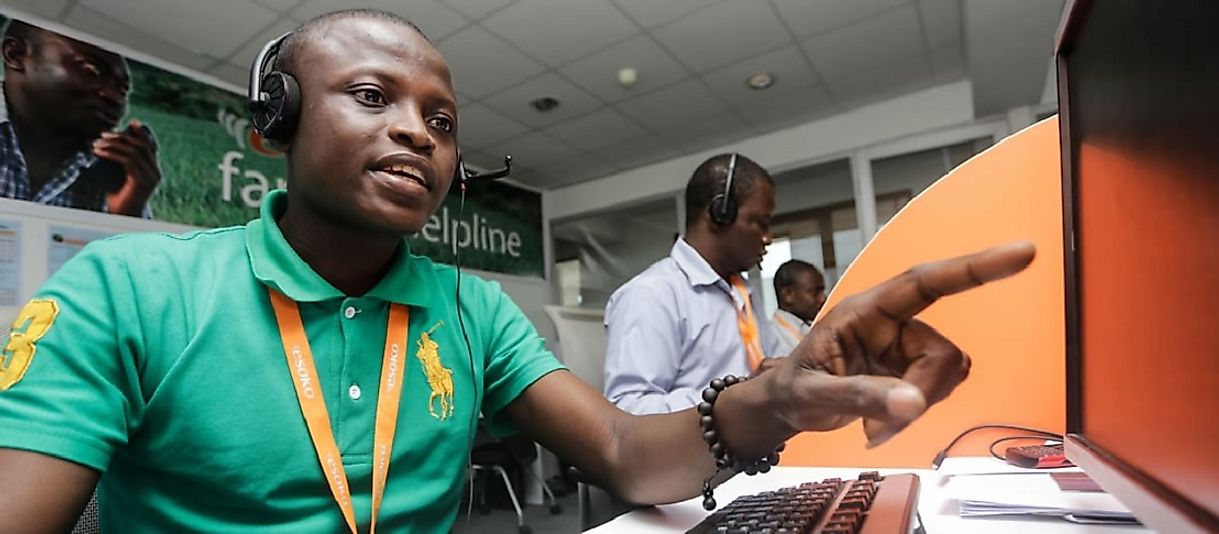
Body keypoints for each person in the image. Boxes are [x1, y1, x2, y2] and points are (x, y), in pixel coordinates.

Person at [0, 9, 1036, 532]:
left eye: (441, 121)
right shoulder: (120, 294)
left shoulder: (468, 308)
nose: (416, 132)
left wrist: (776, 399)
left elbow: (629, 451)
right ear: (273, 128)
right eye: (371, 96)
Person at [603, 153, 784, 415]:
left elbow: (773, 367)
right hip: (697, 455)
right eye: (761, 223)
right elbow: (628, 411)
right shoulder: (651, 295)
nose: (768, 238)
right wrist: (737, 396)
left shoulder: (742, 294)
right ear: (719, 213)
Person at [0, 19, 160, 217]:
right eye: (92, 71)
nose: (115, 98)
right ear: (16, 55)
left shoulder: (114, 174)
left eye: (122, 89)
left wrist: (128, 211)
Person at [769, 259, 828, 355]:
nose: (823, 299)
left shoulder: (814, 325)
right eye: (815, 293)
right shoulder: (773, 336)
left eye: (822, 291)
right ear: (788, 295)